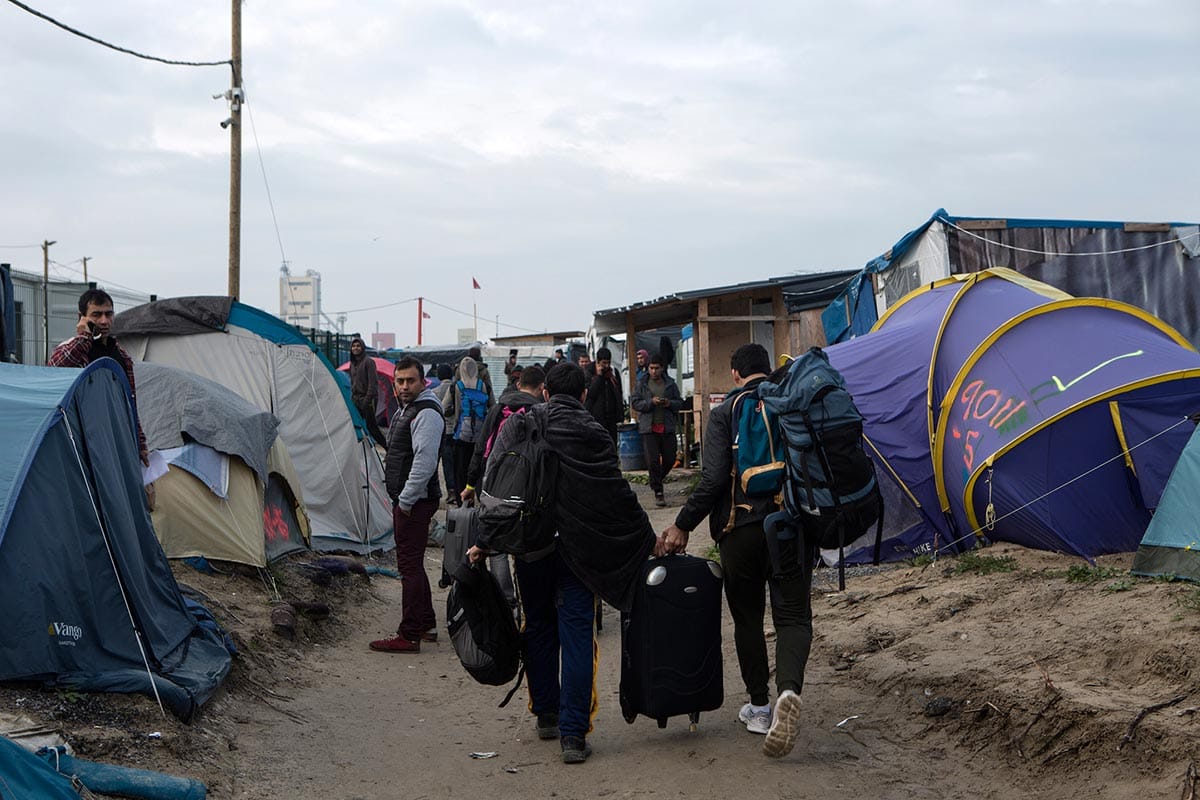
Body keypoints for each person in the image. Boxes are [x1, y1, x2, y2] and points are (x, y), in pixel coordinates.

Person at [468, 362, 655, 764]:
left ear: (546, 392)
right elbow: (615, 493)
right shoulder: (594, 433)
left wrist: (484, 541)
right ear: (584, 395)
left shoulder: (520, 424)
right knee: (575, 633)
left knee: (536, 627)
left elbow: (494, 485)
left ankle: (546, 715)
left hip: (531, 546)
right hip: (580, 553)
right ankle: (573, 735)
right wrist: (646, 538)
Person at [656, 343, 815, 760]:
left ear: (734, 374)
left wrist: (682, 525)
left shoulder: (726, 412)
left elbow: (711, 482)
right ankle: (789, 692)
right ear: (768, 369)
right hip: (792, 527)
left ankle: (760, 708)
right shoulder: (790, 401)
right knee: (793, 616)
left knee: (747, 618)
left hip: (739, 530)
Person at [371, 357, 445, 654]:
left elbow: (425, 463)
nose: (404, 386)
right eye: (400, 381)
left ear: (422, 381)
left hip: (415, 502)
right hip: (411, 499)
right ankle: (426, 624)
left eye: (410, 380)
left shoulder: (426, 413)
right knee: (413, 563)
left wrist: (405, 501)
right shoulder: (409, 410)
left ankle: (409, 634)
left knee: (408, 567)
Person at [49, 288, 148, 465]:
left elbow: (130, 401)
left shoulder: (122, 355)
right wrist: (85, 336)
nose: (104, 321)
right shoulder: (74, 347)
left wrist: (140, 443)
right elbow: (55, 368)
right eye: (96, 315)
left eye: (108, 314)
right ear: (82, 317)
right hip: (83, 434)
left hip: (115, 432)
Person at [460, 364, 545, 505]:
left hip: (490, 480)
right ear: (542, 387)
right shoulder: (539, 413)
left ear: (518, 384)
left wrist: (470, 484)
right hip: (524, 485)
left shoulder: (497, 409)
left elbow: (481, 447)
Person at [629, 354, 683, 508]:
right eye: (651, 368)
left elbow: (679, 403)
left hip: (666, 427)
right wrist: (650, 403)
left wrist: (668, 403)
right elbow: (635, 403)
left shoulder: (670, 384)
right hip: (649, 428)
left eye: (656, 368)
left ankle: (656, 480)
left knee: (669, 460)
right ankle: (658, 491)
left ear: (662, 368)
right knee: (652, 461)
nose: (653, 371)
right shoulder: (642, 383)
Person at [442, 356, 494, 501]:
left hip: (461, 436)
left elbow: (444, 407)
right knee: (478, 469)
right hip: (480, 437)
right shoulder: (484, 386)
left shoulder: (456, 387)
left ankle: (462, 501)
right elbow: (493, 407)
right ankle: (479, 498)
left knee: (460, 470)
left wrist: (454, 411)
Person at [347, 337, 387, 445]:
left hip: (368, 399)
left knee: (371, 427)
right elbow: (353, 382)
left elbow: (373, 384)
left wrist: (366, 401)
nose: (356, 348)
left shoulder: (369, 362)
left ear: (362, 347)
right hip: (356, 399)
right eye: (353, 346)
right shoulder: (352, 364)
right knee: (355, 424)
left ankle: (387, 447)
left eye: (358, 346)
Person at [584, 347, 623, 448]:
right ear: (597, 361)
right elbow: (590, 394)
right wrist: (599, 377)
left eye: (608, 363)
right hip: (595, 418)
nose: (606, 366)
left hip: (612, 418)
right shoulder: (588, 373)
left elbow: (619, 393)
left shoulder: (613, 373)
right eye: (604, 363)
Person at [432, 364, 459, 504]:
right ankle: (458, 490)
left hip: (443, 432)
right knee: (456, 463)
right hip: (457, 431)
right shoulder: (457, 389)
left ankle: (451, 492)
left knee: (446, 464)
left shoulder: (434, 392)